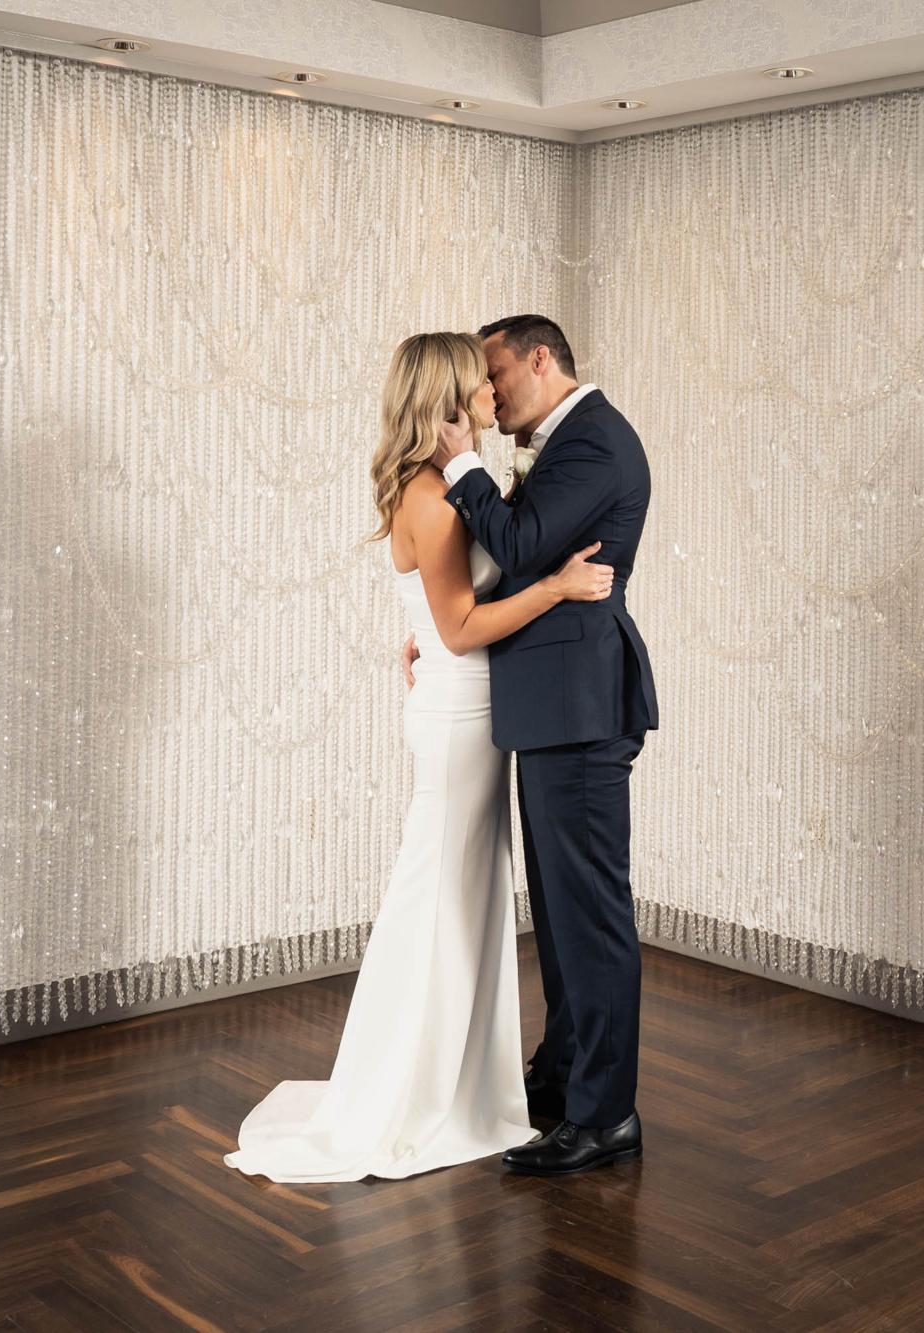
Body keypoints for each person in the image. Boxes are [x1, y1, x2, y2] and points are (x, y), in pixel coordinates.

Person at [224, 332, 614, 1182]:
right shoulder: (433, 498)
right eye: (479, 384)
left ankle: (457, 1078)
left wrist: (432, 633)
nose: (492, 394)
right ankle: (413, 1089)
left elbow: (458, 600)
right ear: (446, 401)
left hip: (469, 705)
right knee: (437, 892)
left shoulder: (445, 486)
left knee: (465, 897)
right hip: (459, 714)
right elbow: (461, 625)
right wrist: (555, 588)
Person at [419, 313, 659, 1176]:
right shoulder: (559, 445)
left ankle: (606, 1113)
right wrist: (433, 631)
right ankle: (562, 1076)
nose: (487, 392)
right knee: (558, 912)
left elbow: (517, 542)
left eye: (496, 373)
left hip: (582, 708)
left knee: (590, 913)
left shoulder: (595, 442)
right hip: (551, 707)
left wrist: (460, 464)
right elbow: (521, 569)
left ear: (541, 358)